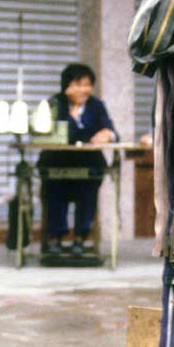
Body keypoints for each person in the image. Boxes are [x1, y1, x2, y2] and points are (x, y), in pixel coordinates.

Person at [38, 63, 117, 255]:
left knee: (87, 193)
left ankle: (80, 238)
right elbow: (65, 134)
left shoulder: (96, 105)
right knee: (55, 192)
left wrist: (107, 134)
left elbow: (111, 130)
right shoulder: (54, 103)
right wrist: (73, 115)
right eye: (78, 84)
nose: (83, 90)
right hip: (57, 163)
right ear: (66, 86)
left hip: (88, 164)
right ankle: (55, 237)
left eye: (87, 85)